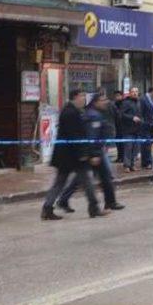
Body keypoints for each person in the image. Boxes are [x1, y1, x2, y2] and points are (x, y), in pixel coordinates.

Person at [41, 90, 108, 220]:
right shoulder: (70, 113)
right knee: (73, 182)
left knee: (70, 182)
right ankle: (93, 208)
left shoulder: (73, 111)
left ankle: (48, 209)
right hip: (71, 156)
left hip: (70, 156)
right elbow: (75, 136)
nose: (84, 99)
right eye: (82, 96)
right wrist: (83, 154)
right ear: (75, 97)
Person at [57, 93, 125, 213]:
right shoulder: (93, 116)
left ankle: (64, 199)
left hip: (94, 151)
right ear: (96, 102)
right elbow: (91, 136)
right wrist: (95, 153)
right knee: (104, 176)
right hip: (94, 152)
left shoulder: (95, 113)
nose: (105, 102)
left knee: (81, 178)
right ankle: (108, 203)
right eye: (103, 100)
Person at [121, 87, 143, 173]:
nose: (135, 93)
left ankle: (132, 165)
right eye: (133, 92)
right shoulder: (126, 102)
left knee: (135, 148)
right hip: (128, 130)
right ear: (129, 93)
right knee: (128, 148)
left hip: (137, 129)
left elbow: (141, 114)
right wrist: (132, 117)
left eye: (136, 91)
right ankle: (126, 165)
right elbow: (121, 114)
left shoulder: (139, 102)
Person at [140, 86, 153, 170]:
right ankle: (147, 162)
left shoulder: (152, 101)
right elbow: (141, 112)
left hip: (151, 126)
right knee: (146, 145)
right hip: (145, 126)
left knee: (149, 144)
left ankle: (146, 162)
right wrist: (143, 123)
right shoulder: (143, 99)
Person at [113, 91, 125, 163]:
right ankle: (119, 156)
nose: (117, 97)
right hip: (116, 126)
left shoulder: (123, 104)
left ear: (121, 96)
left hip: (123, 126)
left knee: (122, 143)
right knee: (117, 142)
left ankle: (123, 157)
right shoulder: (114, 104)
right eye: (115, 96)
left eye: (118, 95)